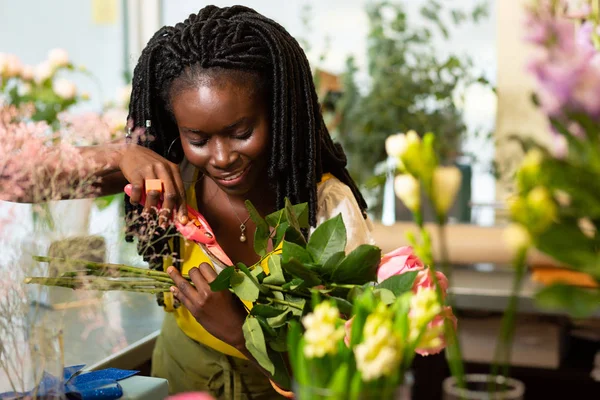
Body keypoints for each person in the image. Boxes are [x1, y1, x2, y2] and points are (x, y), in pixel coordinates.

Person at [21, 5, 375, 399]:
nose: (221, 158)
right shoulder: (176, 174)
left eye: (240, 132)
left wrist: (240, 334)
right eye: (199, 139)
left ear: (277, 113)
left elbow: (344, 375)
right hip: (176, 375)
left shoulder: (327, 209)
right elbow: (14, 180)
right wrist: (121, 154)